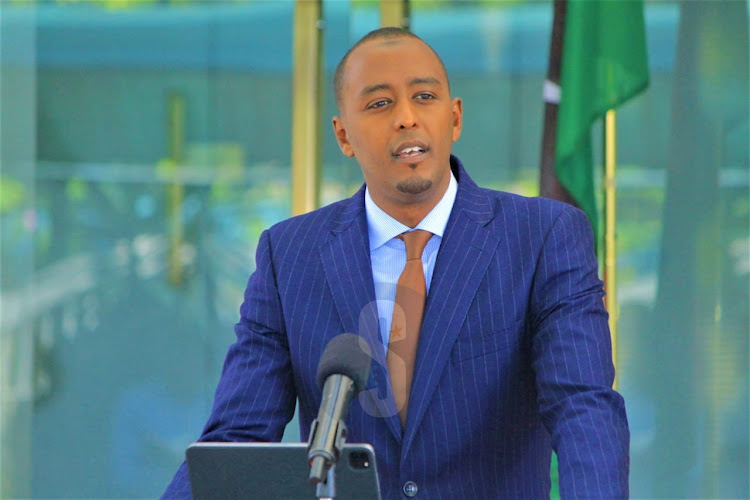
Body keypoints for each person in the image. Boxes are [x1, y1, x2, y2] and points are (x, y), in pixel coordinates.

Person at [162, 27, 629, 499]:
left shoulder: (542, 237)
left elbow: (583, 408)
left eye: (424, 96)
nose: (406, 117)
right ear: (343, 135)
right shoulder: (290, 256)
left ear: (455, 117)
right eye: (380, 103)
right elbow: (236, 442)